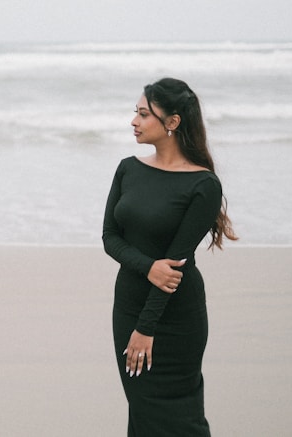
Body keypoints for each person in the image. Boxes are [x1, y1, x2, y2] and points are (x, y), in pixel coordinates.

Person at [102, 77, 237, 436]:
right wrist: (147, 267)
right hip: (128, 306)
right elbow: (109, 238)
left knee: (181, 419)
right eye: (136, 112)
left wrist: (147, 328)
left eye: (144, 114)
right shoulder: (128, 168)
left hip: (175, 318)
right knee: (143, 411)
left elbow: (174, 268)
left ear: (172, 122)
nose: (134, 121)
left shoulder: (203, 185)